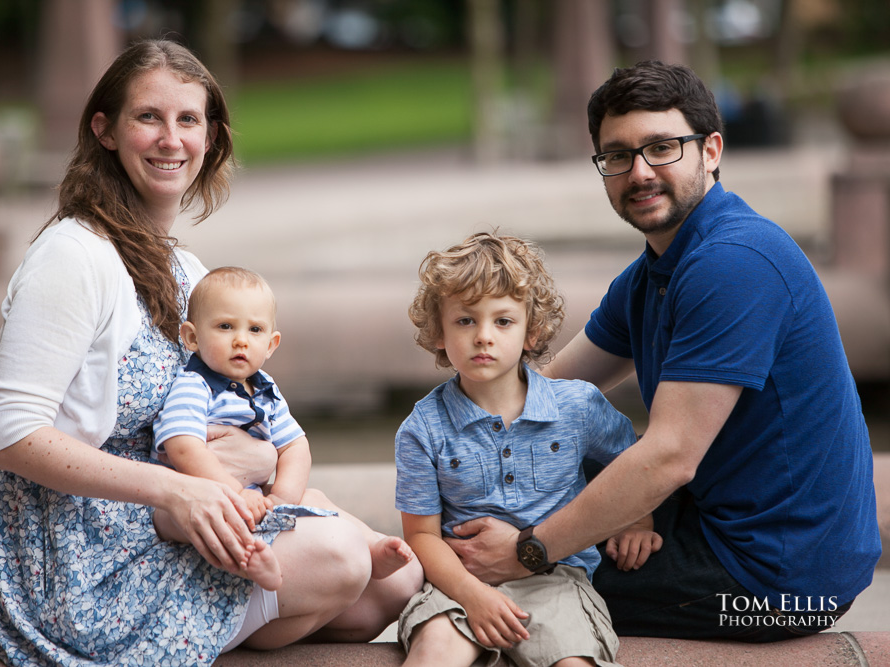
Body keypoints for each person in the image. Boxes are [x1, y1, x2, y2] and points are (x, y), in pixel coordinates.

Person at [0, 39, 418, 667]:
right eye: (148, 117)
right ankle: (185, 628)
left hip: (183, 513)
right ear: (104, 129)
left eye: (188, 120)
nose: (170, 139)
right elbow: (11, 435)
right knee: (342, 559)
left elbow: (236, 410)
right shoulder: (72, 255)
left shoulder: (188, 271)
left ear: (211, 137)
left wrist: (258, 457)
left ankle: (204, 626)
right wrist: (175, 492)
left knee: (391, 587)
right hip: (83, 554)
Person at [443, 60, 881, 642]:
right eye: (618, 156)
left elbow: (671, 456)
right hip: (721, 525)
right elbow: (540, 395)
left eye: (662, 148)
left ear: (712, 151)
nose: (640, 172)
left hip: (779, 580)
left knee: (491, 591)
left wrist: (526, 552)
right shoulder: (653, 273)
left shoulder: (734, 262)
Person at [394, 232, 656, 667]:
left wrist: (638, 520)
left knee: (573, 662)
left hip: (556, 580)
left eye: (502, 321)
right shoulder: (423, 428)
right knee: (432, 654)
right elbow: (421, 534)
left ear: (531, 331)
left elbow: (631, 464)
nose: (483, 336)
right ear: (439, 332)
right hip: (460, 583)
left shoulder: (577, 406)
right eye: (465, 321)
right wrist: (473, 596)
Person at [151, 265, 415, 589]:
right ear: (192, 337)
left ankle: (371, 544)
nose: (240, 341)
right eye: (225, 326)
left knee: (313, 495)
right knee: (207, 517)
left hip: (249, 496)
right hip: (194, 496)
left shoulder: (264, 389)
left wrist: (282, 498)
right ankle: (256, 562)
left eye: (255, 330)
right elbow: (182, 445)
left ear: (272, 343)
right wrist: (233, 493)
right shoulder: (195, 385)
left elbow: (295, 446)